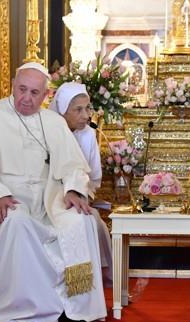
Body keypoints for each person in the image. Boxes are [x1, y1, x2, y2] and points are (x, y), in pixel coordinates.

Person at [0, 62, 106, 322]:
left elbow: (73, 166)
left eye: (35, 93)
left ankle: (69, 308)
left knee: (78, 221)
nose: (26, 98)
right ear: (13, 84)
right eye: (22, 89)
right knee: (18, 223)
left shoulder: (54, 122)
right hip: (6, 200)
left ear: (46, 95)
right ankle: (18, 311)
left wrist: (73, 189)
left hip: (48, 202)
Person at [49, 82, 113, 286]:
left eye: (88, 108)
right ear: (62, 111)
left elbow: (93, 177)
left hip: (79, 199)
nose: (86, 115)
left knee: (91, 221)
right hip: (50, 200)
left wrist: (82, 196)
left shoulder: (87, 134)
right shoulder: (49, 132)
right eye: (78, 109)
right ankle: (67, 284)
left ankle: (86, 285)